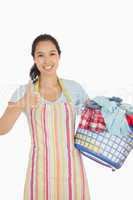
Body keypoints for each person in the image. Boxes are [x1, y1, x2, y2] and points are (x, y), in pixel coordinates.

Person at [0, 34, 91, 199]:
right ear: (34, 59)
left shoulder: (74, 88)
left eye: (52, 53)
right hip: (40, 173)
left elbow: (93, 121)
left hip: (73, 172)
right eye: (40, 55)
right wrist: (22, 103)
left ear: (59, 56)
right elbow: (2, 129)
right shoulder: (24, 91)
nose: (47, 60)